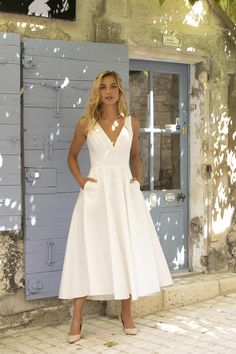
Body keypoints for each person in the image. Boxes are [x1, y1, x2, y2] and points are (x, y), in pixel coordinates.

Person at [59, 70, 173, 344]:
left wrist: (138, 178)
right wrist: (82, 182)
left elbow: (135, 157)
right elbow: (72, 157)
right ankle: (77, 318)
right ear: (97, 92)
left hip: (124, 193)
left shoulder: (131, 123)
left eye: (113, 87)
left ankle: (127, 314)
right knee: (88, 251)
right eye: (103, 87)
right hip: (96, 195)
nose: (108, 92)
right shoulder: (86, 124)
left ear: (120, 91)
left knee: (125, 249)